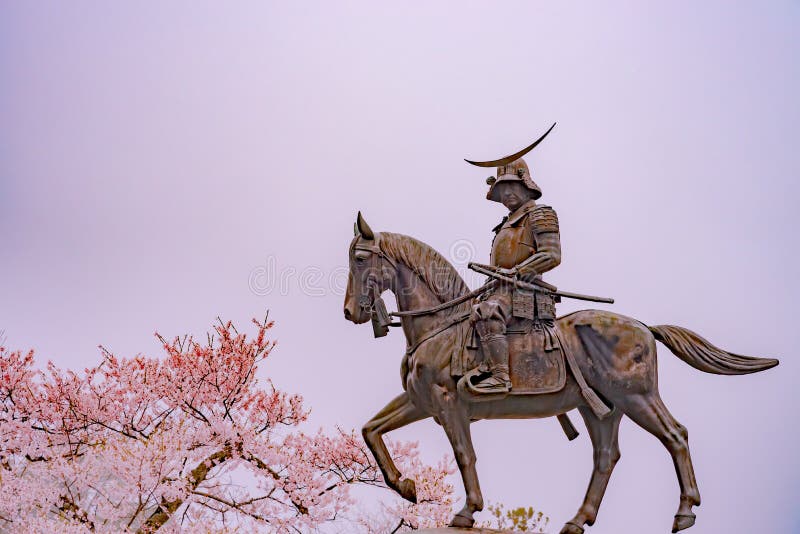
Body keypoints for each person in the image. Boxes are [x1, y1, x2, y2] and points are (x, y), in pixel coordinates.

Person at [468, 155, 562, 394]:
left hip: (523, 291)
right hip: (499, 288)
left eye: (511, 185)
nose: (507, 193)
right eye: (502, 188)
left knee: (489, 312)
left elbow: (551, 254)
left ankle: (500, 376)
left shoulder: (539, 214)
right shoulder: (505, 224)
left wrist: (517, 272)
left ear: (525, 185)